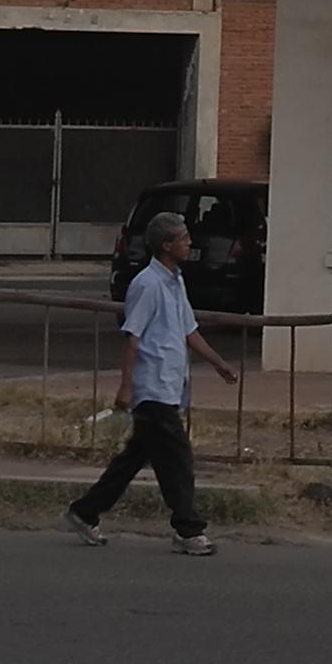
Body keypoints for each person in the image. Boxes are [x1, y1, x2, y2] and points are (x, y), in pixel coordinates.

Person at [66, 206, 240, 554]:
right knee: (178, 460)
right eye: (183, 238)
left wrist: (219, 363)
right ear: (165, 245)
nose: (189, 243)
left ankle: (84, 512)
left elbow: (189, 329)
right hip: (152, 387)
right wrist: (125, 387)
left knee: (132, 459)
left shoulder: (175, 280)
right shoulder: (146, 285)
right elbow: (132, 337)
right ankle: (188, 529)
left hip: (170, 384)